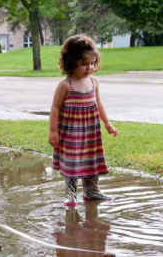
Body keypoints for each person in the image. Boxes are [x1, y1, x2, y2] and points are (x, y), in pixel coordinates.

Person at [49, 34, 118, 206]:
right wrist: (53, 131)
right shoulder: (66, 85)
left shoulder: (94, 82)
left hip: (90, 132)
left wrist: (107, 123)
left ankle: (92, 191)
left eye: (92, 63)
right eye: (84, 64)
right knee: (72, 163)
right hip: (71, 133)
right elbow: (55, 108)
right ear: (72, 62)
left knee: (91, 160)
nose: (90, 67)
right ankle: (71, 194)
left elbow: (98, 103)